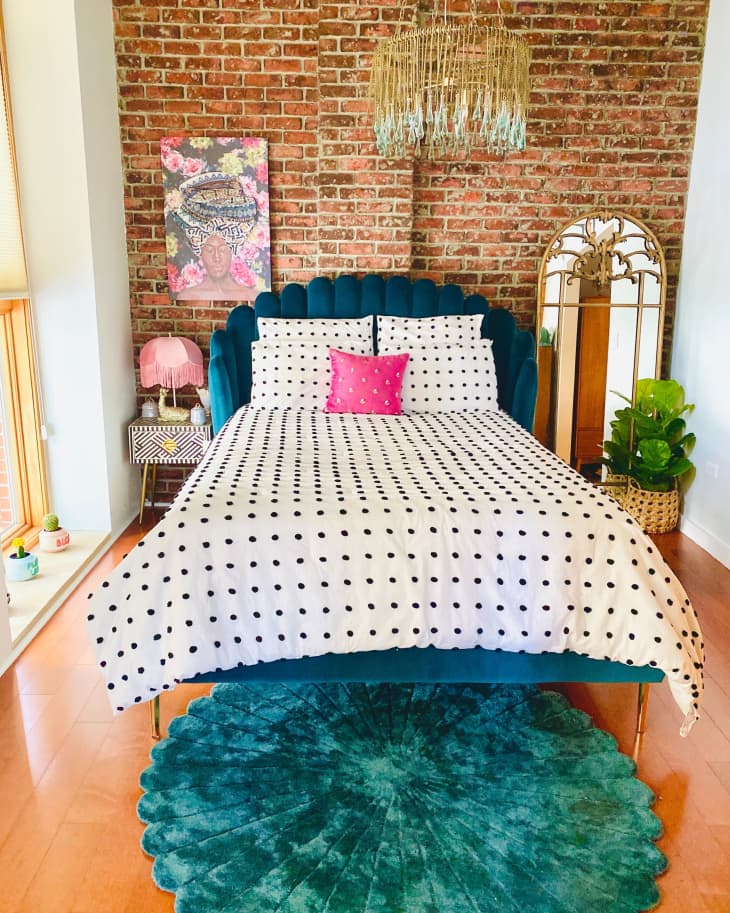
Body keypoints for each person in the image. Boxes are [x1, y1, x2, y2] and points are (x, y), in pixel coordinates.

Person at [175, 232, 242, 300]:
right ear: (201, 255)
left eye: (222, 250)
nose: (217, 258)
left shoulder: (249, 294)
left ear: (232, 254)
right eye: (209, 250)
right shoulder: (187, 296)